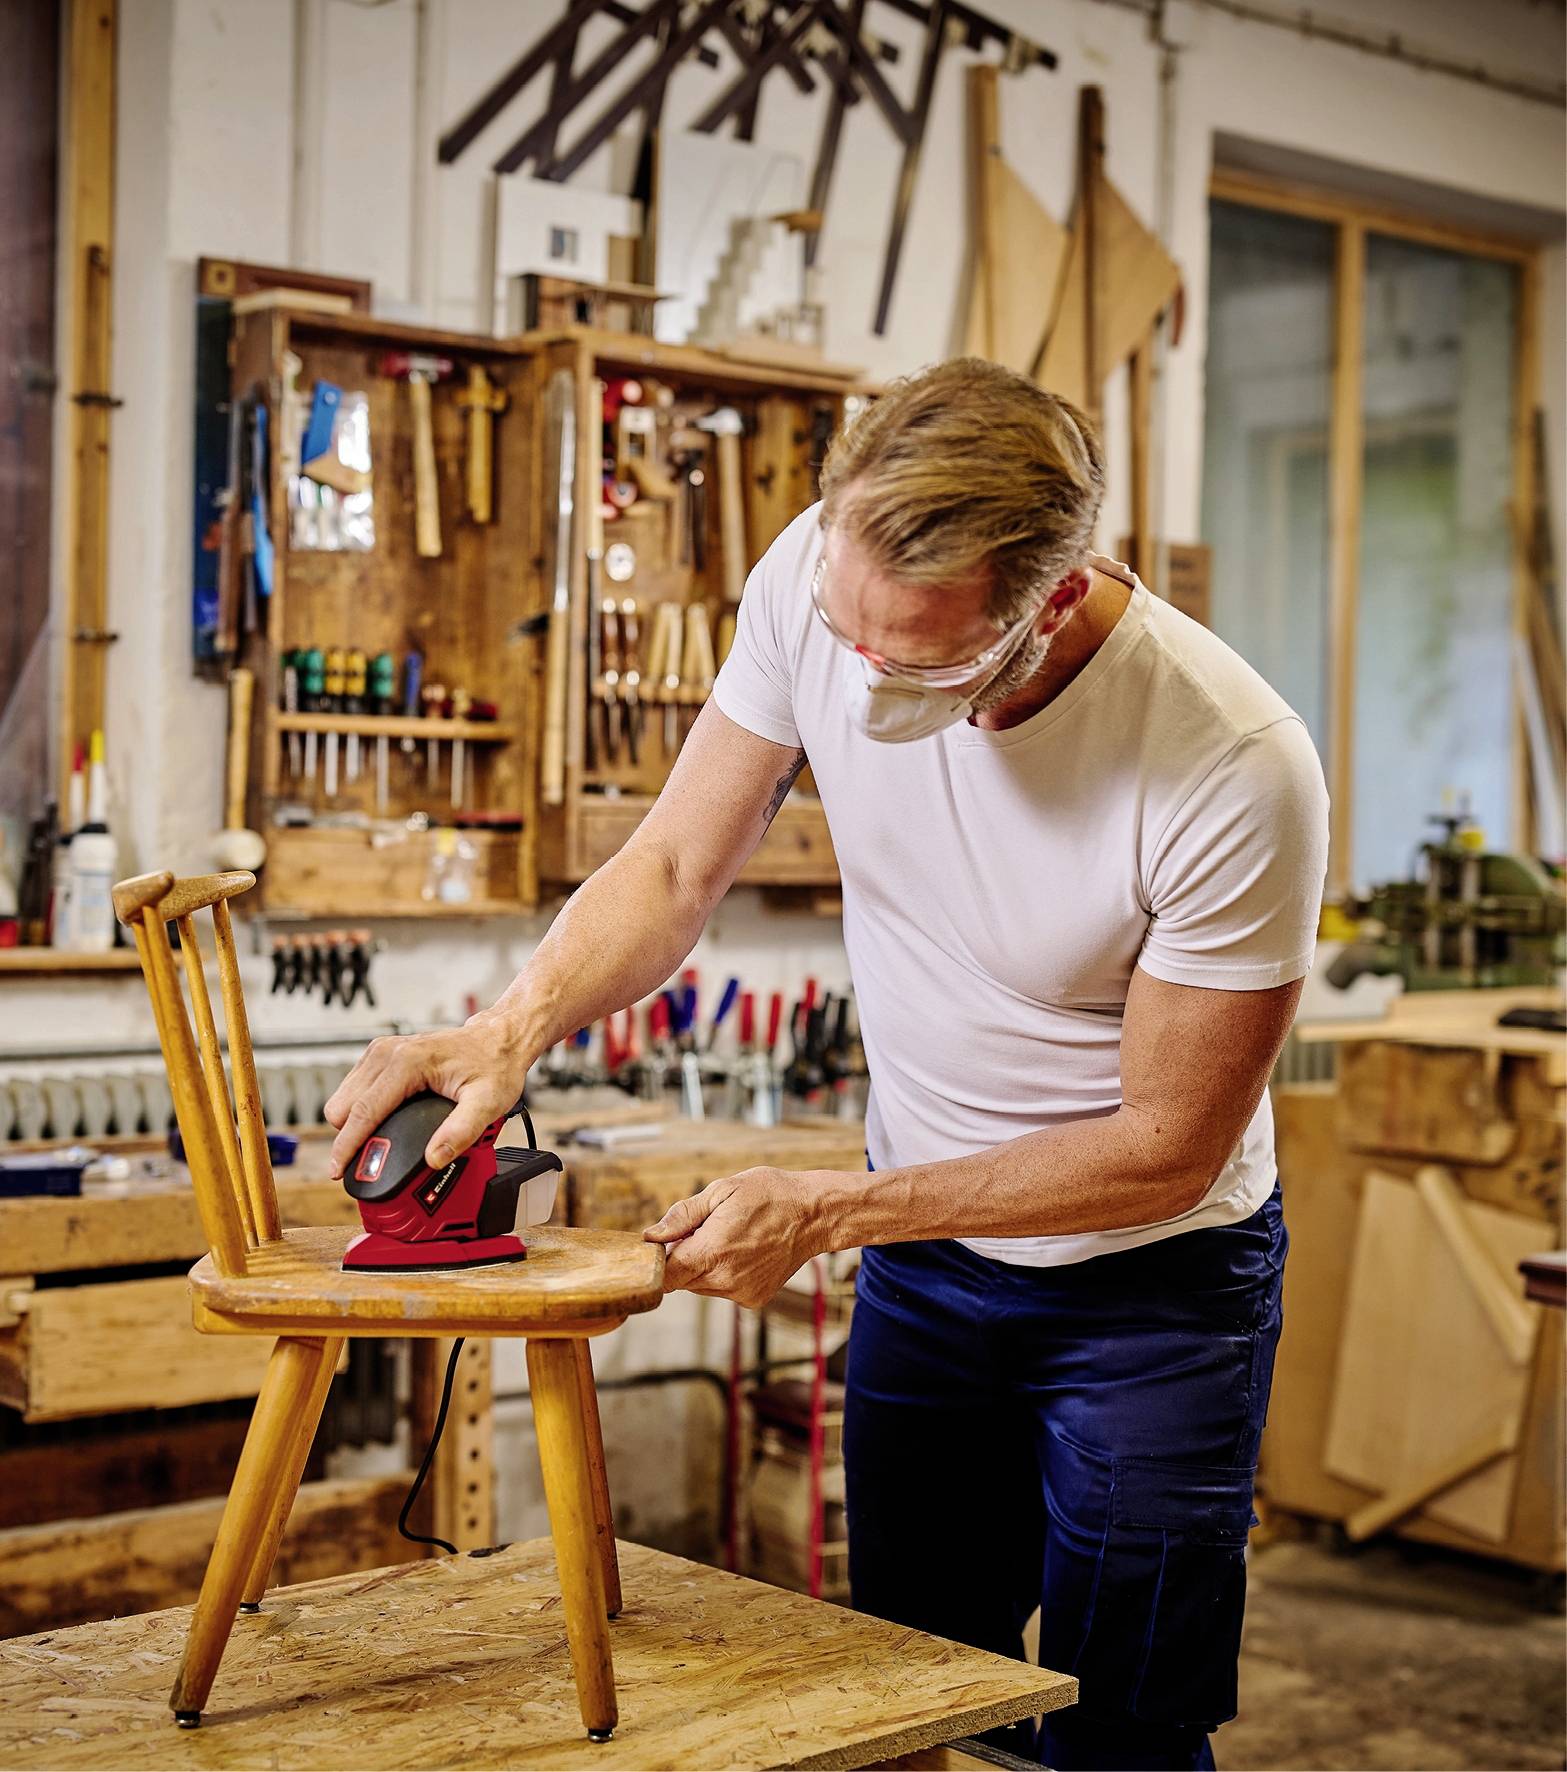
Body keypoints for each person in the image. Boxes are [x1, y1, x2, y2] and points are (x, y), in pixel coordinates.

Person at [325, 358, 1329, 1771]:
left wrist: (834, 1212)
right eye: (843, 633)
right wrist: (512, 1024)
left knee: (1127, 1729)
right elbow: (675, 865)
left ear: (1047, 597)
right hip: (928, 1265)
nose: (858, 678)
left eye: (909, 658)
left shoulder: (1230, 764)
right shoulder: (815, 576)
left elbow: (1167, 1141)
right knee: (903, 1687)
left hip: (1153, 1292)